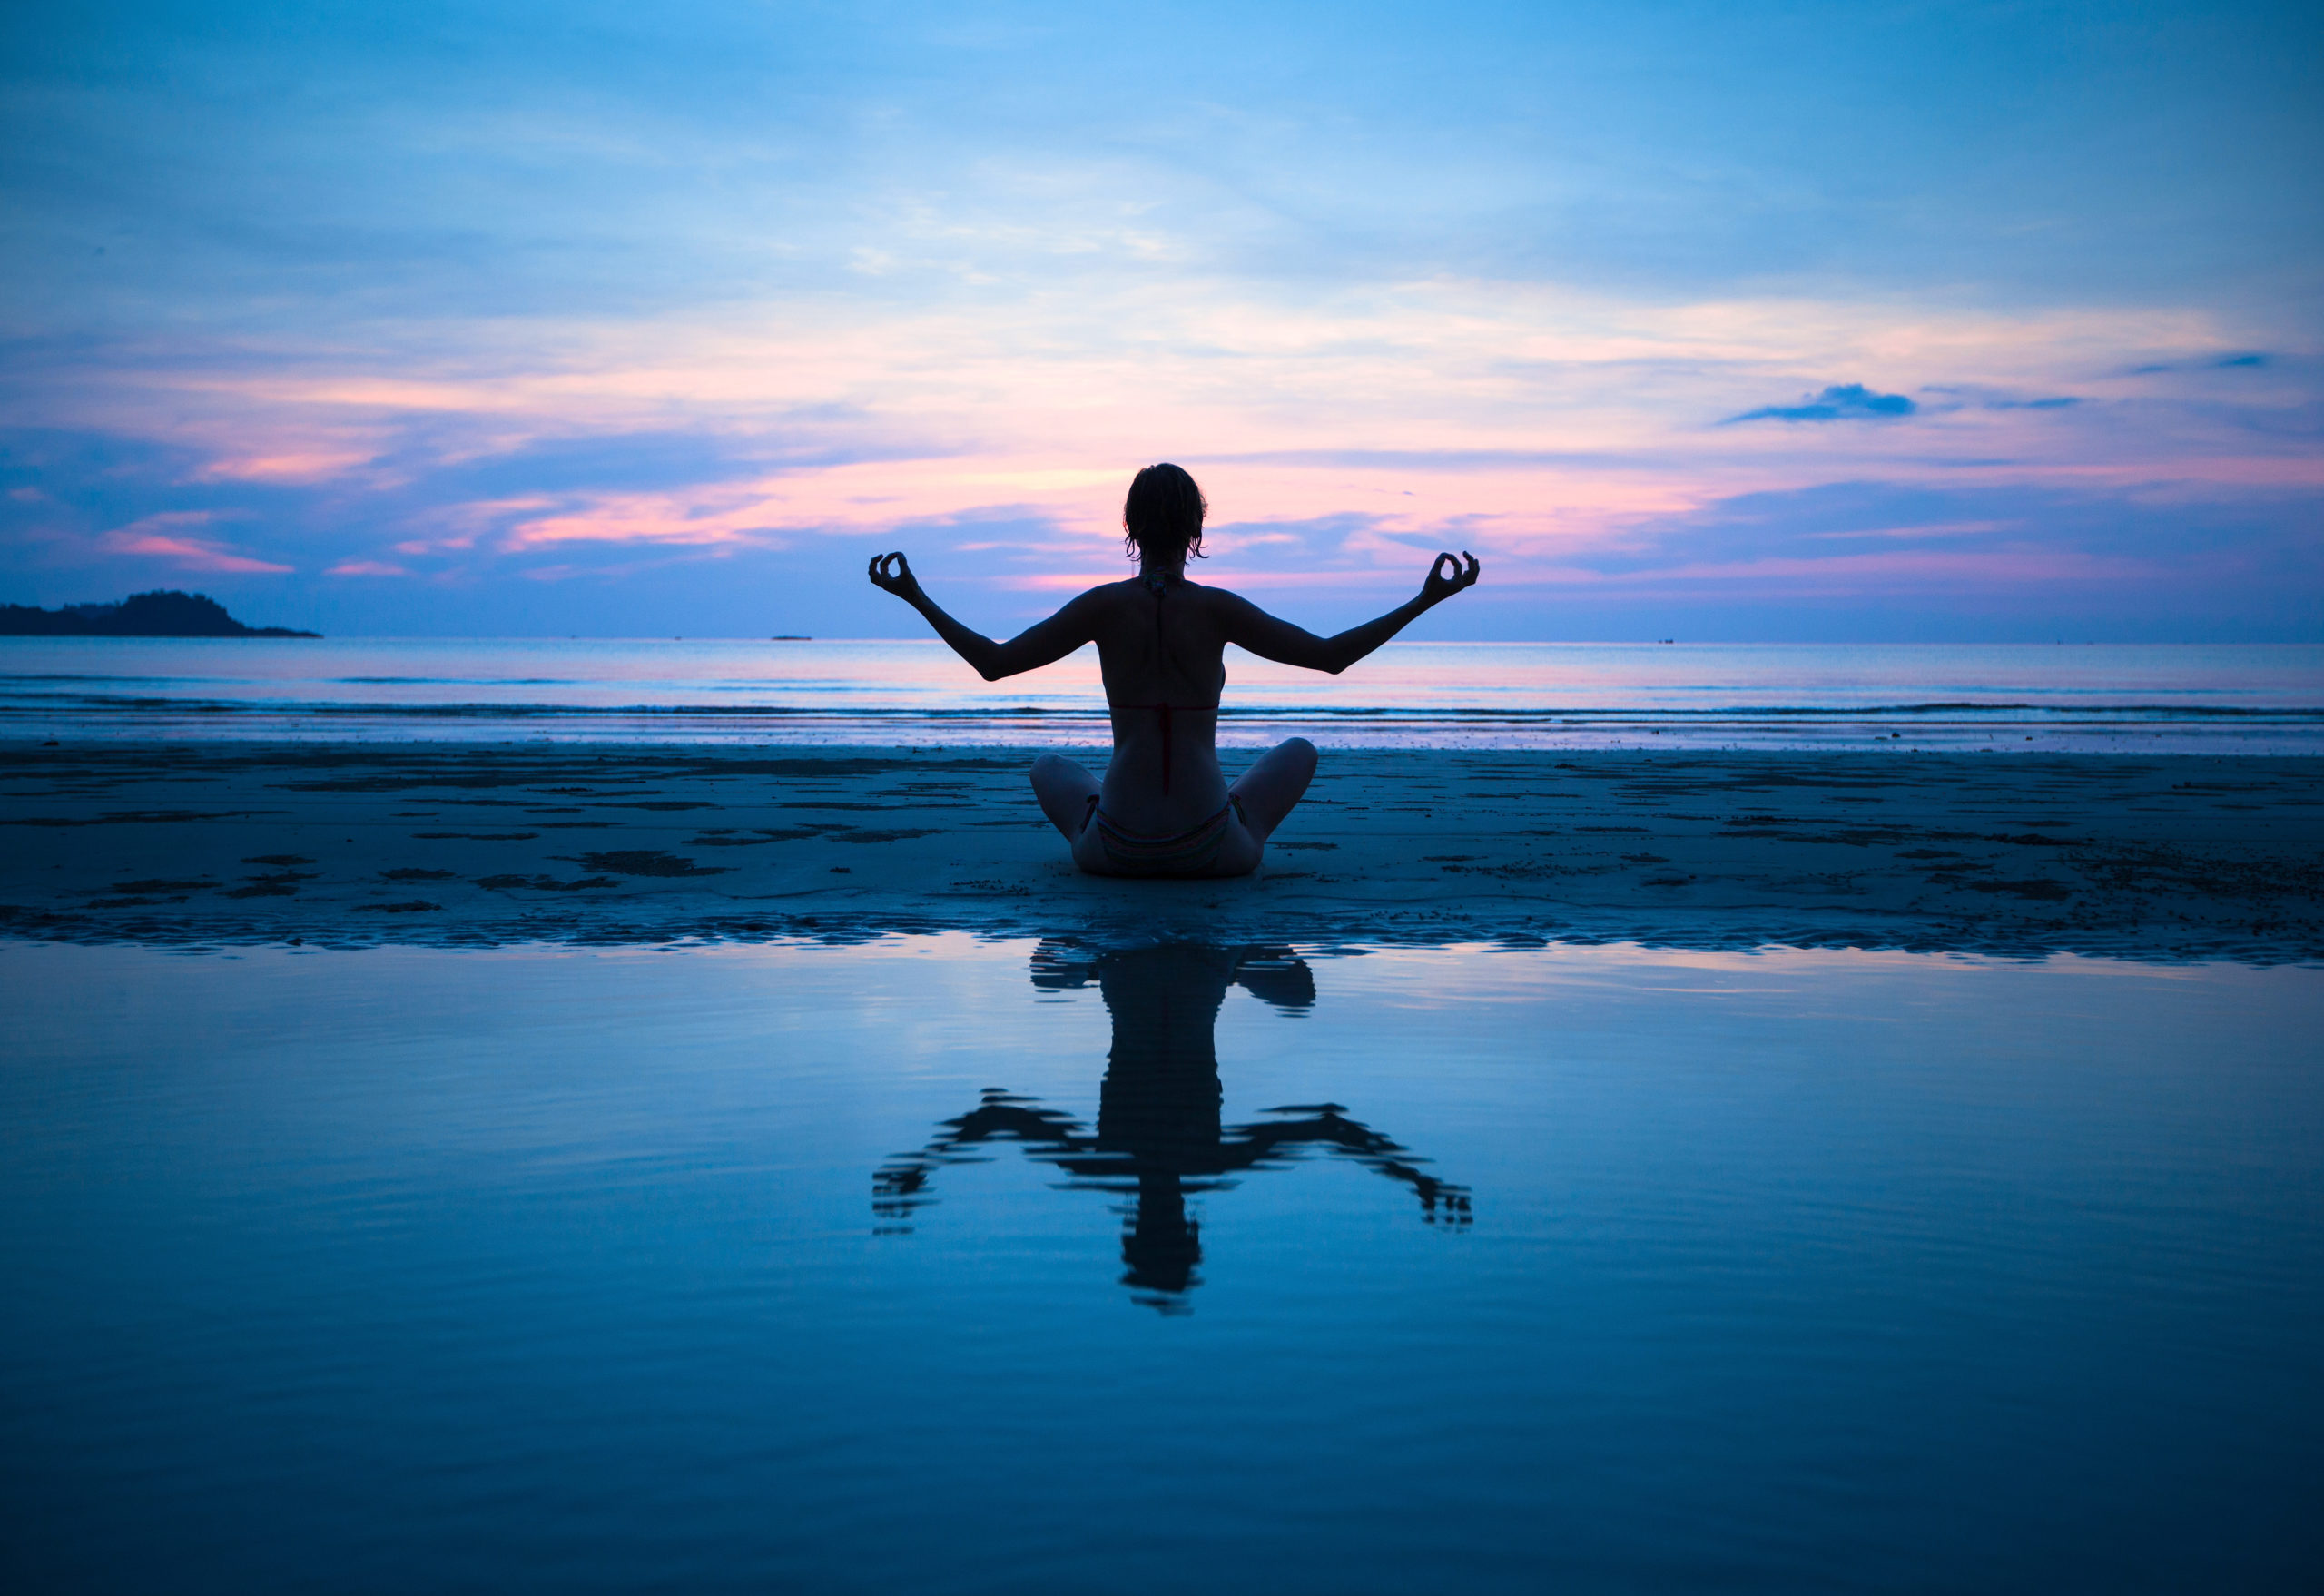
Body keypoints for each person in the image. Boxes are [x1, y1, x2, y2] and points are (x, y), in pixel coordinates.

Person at [866, 461, 1481, 876]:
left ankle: (1121, 817)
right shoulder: (1217, 610)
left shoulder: (1103, 606)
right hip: (1211, 847)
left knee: (1048, 766)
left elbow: (993, 664)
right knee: (1298, 751)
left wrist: (916, 595)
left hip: (1114, 850)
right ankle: (1226, 814)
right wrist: (1424, 600)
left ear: (1130, 527)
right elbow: (1331, 656)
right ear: (1196, 528)